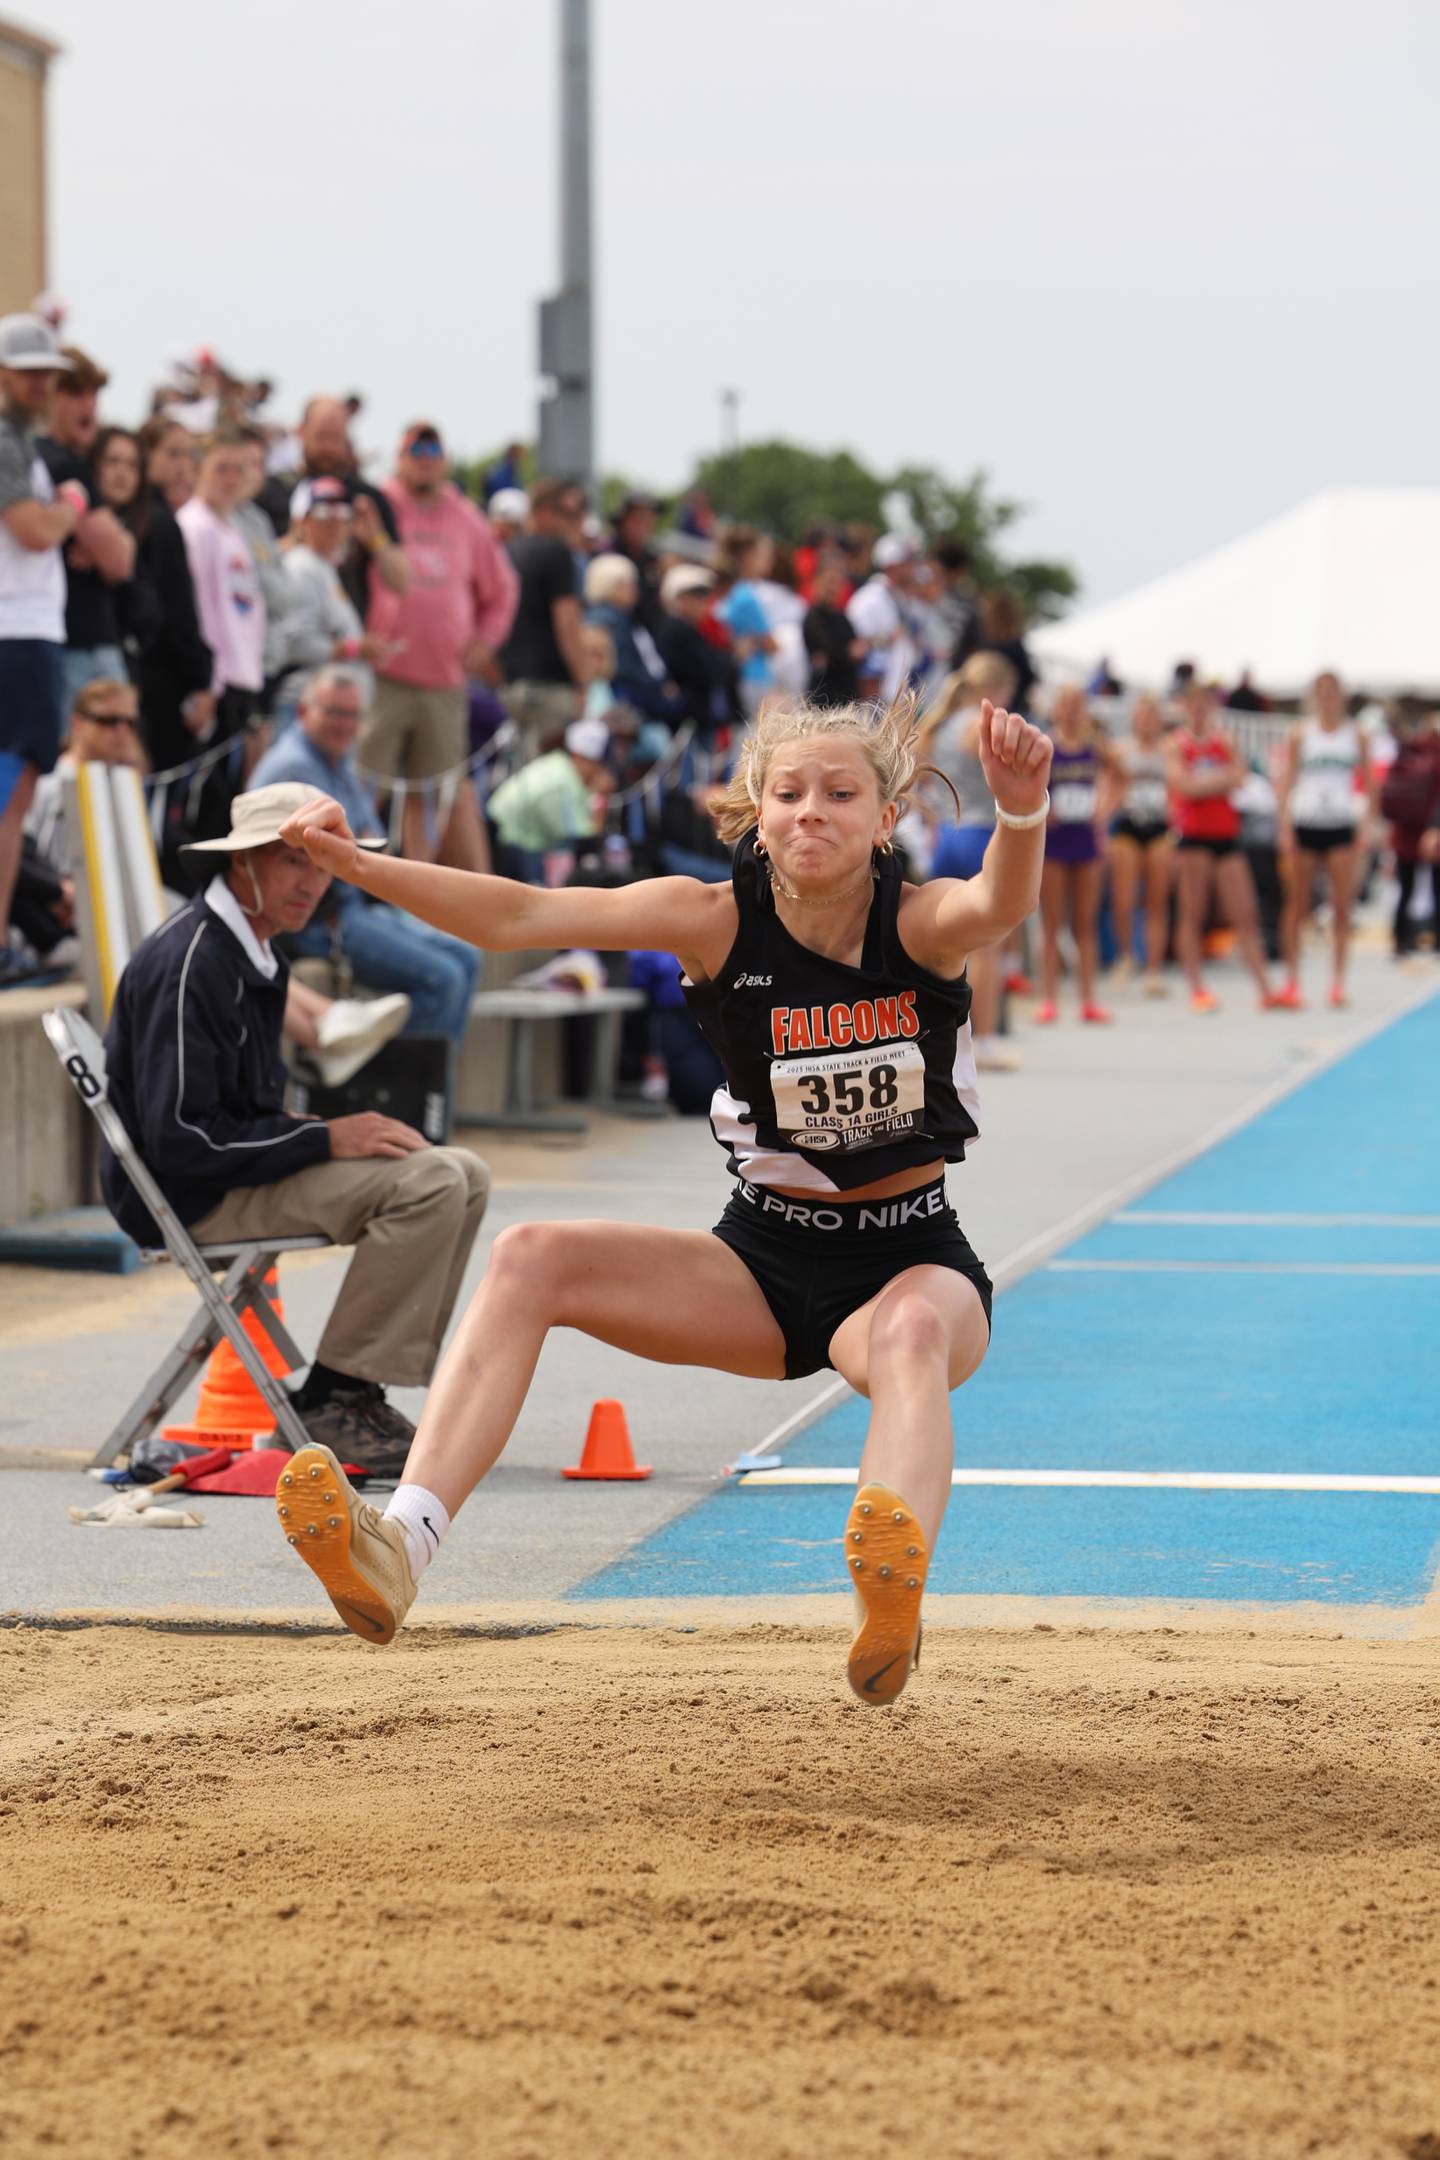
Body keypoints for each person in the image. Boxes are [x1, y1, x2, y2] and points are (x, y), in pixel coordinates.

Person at [272, 692, 1053, 1705]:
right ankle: (399, 1546)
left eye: (839, 793)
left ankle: (886, 1600)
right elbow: (518, 915)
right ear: (756, 811)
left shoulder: (920, 923)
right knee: (530, 1256)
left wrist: (1022, 812)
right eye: (788, 792)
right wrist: (359, 868)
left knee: (906, 1339)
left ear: (884, 818)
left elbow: (1000, 904)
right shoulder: (710, 919)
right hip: (760, 1261)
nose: (810, 810)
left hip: (909, 1261)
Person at [100, 780, 490, 1470]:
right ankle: (333, 1399)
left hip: (222, 1173)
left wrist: (315, 1135)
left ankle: (354, 1391)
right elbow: (180, 1139)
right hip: (190, 1195)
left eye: (322, 863)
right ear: (240, 863)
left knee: (464, 1171)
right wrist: (324, 1137)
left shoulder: (252, 946)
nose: (313, 881)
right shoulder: (193, 961)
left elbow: (230, 1115)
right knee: (430, 1181)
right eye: (293, 861)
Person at [251, 668, 481, 1045]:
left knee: (468, 956)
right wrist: (359, 848)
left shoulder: (336, 760)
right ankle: (397, 1092)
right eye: (334, 713)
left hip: (350, 904)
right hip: (317, 918)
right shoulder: (294, 766)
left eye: (353, 715)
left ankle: (424, 1090)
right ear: (304, 712)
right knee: (444, 979)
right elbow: (342, 858)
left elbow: (371, 845)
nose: (345, 724)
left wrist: (360, 848)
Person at [361, 423, 518, 872]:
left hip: (445, 683)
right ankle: (350, 885)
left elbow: (503, 588)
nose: (425, 456)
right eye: (415, 447)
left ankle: (416, 885)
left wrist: (485, 642)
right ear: (399, 455)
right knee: (364, 784)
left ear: (444, 458)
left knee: (431, 794)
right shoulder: (379, 502)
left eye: (433, 447)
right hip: (382, 677)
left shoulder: (466, 515)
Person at [0, 311, 89, 985]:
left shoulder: (19, 441)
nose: (42, 388)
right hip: (17, 637)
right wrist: (71, 509)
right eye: (31, 375)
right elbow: (34, 530)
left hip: (26, 635)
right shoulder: (6, 440)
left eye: (47, 377)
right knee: (9, 798)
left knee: (15, 798)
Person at [916, 652, 1023, 1069]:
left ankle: (935, 1034)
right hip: (980, 834)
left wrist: (931, 814)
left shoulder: (939, 725)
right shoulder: (981, 726)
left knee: (939, 944)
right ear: (995, 689)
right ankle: (986, 1041)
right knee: (987, 946)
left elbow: (918, 782)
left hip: (946, 835)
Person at [99, 423, 215, 790]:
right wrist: (200, 677)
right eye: (172, 453)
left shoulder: (146, 519)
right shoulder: (159, 523)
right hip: (156, 686)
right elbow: (177, 611)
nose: (184, 466)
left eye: (190, 456)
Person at [1165, 682, 1281, 1013]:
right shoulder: (1177, 743)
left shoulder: (1224, 741)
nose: (1200, 710)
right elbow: (1182, 785)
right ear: (1187, 707)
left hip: (1225, 834)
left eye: (1205, 704)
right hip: (1193, 837)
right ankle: (1197, 987)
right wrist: (1219, 780)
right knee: (1194, 911)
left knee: (1245, 910)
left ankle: (1264, 987)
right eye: (1195, 704)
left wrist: (1206, 783)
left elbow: (1241, 777)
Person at [35, 345, 138, 707]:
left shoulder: (49, 459)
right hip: (79, 650)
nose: (89, 405)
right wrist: (110, 542)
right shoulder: (61, 463)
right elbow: (119, 561)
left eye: (94, 392)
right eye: (76, 392)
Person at [1275, 670, 1374, 1009]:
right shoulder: (1301, 734)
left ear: (1341, 695)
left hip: (1340, 824)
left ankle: (1337, 983)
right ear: (1314, 696)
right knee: (1297, 905)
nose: (1328, 697)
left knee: (1341, 906)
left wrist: (1367, 826)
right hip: (1306, 822)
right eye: (1322, 691)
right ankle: (1292, 980)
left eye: (1333, 691)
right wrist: (1284, 827)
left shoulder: (1356, 735)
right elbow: (1287, 780)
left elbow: (1370, 784)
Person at [259, 395, 409, 617]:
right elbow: (249, 567)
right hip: (284, 631)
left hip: (346, 637)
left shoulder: (366, 498)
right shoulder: (270, 490)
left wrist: (375, 539)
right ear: (300, 431)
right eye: (320, 437)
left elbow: (401, 583)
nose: (327, 447)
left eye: (335, 438)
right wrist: (296, 540)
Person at [1033, 686, 1120, 1024]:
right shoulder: (1046, 745)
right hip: (1054, 841)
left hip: (1085, 837)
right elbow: (1028, 783)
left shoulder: (1094, 746)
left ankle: (1088, 999)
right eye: (1065, 705)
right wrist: (1042, 809)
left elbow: (1121, 774)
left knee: (1085, 923)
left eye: (1077, 705)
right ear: (1055, 709)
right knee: (1052, 923)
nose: (1071, 711)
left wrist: (1105, 811)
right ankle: (1050, 998)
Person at [272, 477, 388, 721]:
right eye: (323, 512)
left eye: (343, 513)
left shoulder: (322, 567)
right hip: (306, 710)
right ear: (302, 521)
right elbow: (296, 644)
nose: (334, 522)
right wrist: (356, 647)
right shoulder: (301, 567)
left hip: (327, 713)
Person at [497, 476, 589, 752]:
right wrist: (583, 681)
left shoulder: (509, 550)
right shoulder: (558, 553)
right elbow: (567, 625)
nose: (576, 522)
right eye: (570, 514)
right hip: (550, 689)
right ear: (546, 512)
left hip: (509, 687)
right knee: (549, 780)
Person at [485, 715, 612, 880]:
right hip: (507, 840)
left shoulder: (559, 764)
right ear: (580, 756)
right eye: (597, 764)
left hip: (507, 834)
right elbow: (584, 840)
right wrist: (602, 800)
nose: (599, 771)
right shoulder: (563, 782)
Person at [1108, 692, 1174, 993]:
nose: (1147, 721)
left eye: (1152, 716)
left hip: (1160, 825)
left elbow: (1178, 786)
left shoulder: (1169, 749)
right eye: (1142, 715)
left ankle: (1154, 966)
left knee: (1156, 900)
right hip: (1128, 823)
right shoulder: (1120, 750)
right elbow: (1109, 786)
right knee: (1124, 897)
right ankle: (1126, 955)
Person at [582, 553, 681, 724]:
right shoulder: (611, 620)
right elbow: (624, 667)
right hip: (622, 703)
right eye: (628, 585)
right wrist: (658, 688)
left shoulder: (618, 617)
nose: (635, 591)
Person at [1381, 706, 1440, 958]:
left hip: (1405, 832)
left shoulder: (1407, 751)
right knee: (1436, 890)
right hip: (1431, 830)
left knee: (1405, 889)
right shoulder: (1432, 754)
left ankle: (1399, 940)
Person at [653, 563, 737, 737]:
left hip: (698, 718)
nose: (703, 603)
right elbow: (712, 669)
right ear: (678, 598)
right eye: (696, 596)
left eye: (704, 596)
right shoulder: (676, 629)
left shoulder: (689, 628)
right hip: (687, 720)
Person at [714, 527, 778, 720]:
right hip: (754, 677)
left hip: (744, 677)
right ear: (746, 557)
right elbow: (771, 645)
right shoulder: (745, 596)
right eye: (760, 555)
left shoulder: (733, 592)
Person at [846, 534, 919, 705]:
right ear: (892, 565)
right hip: (875, 699)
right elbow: (859, 646)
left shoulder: (897, 597)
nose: (913, 566)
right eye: (908, 561)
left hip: (896, 696)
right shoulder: (869, 599)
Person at [804, 555, 866, 709]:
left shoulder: (842, 617)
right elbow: (831, 650)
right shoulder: (813, 617)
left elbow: (856, 648)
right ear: (817, 582)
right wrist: (846, 653)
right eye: (830, 581)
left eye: (838, 583)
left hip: (847, 698)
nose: (833, 588)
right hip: (824, 700)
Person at [607, 490, 664, 633]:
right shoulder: (606, 557)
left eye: (649, 519)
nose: (644, 526)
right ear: (622, 521)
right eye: (638, 520)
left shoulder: (652, 560)